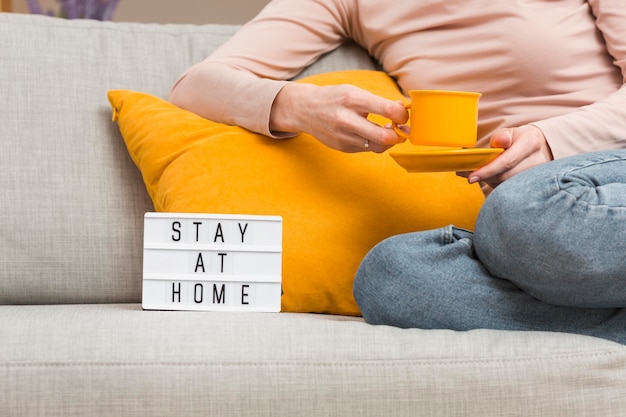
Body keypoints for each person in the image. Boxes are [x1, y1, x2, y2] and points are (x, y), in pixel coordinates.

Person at [170, 0, 626, 343]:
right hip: (525, 219)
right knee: (392, 276)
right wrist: (296, 104)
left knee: (521, 210)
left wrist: (551, 139)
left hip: (601, 176)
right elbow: (195, 85)